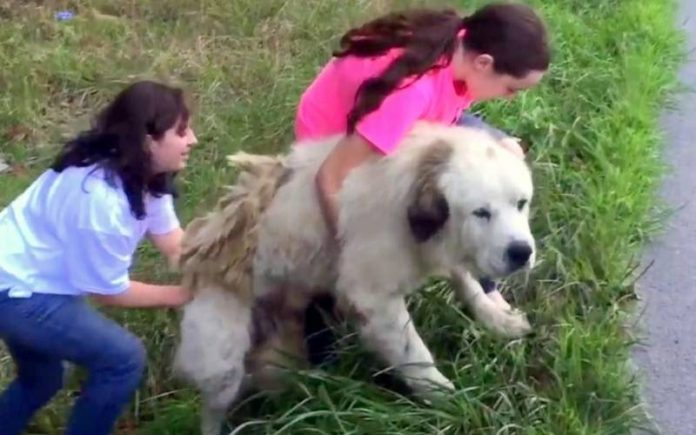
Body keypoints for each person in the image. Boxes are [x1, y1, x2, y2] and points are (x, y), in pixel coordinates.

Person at [295, 1, 550, 311]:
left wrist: (497, 143)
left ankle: (484, 283)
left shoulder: (461, 48)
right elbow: (331, 176)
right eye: (512, 89)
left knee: (497, 153)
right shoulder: (411, 94)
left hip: (411, 122)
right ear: (484, 63)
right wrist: (357, 252)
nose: (510, 98)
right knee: (458, 191)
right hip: (336, 142)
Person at [0, 80, 197, 435]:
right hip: (19, 295)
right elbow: (107, 291)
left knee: (43, 379)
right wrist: (184, 295)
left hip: (16, 276)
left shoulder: (144, 176)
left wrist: (223, 272)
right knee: (123, 359)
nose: (192, 140)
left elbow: (175, 245)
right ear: (148, 139)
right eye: (181, 132)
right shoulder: (100, 201)